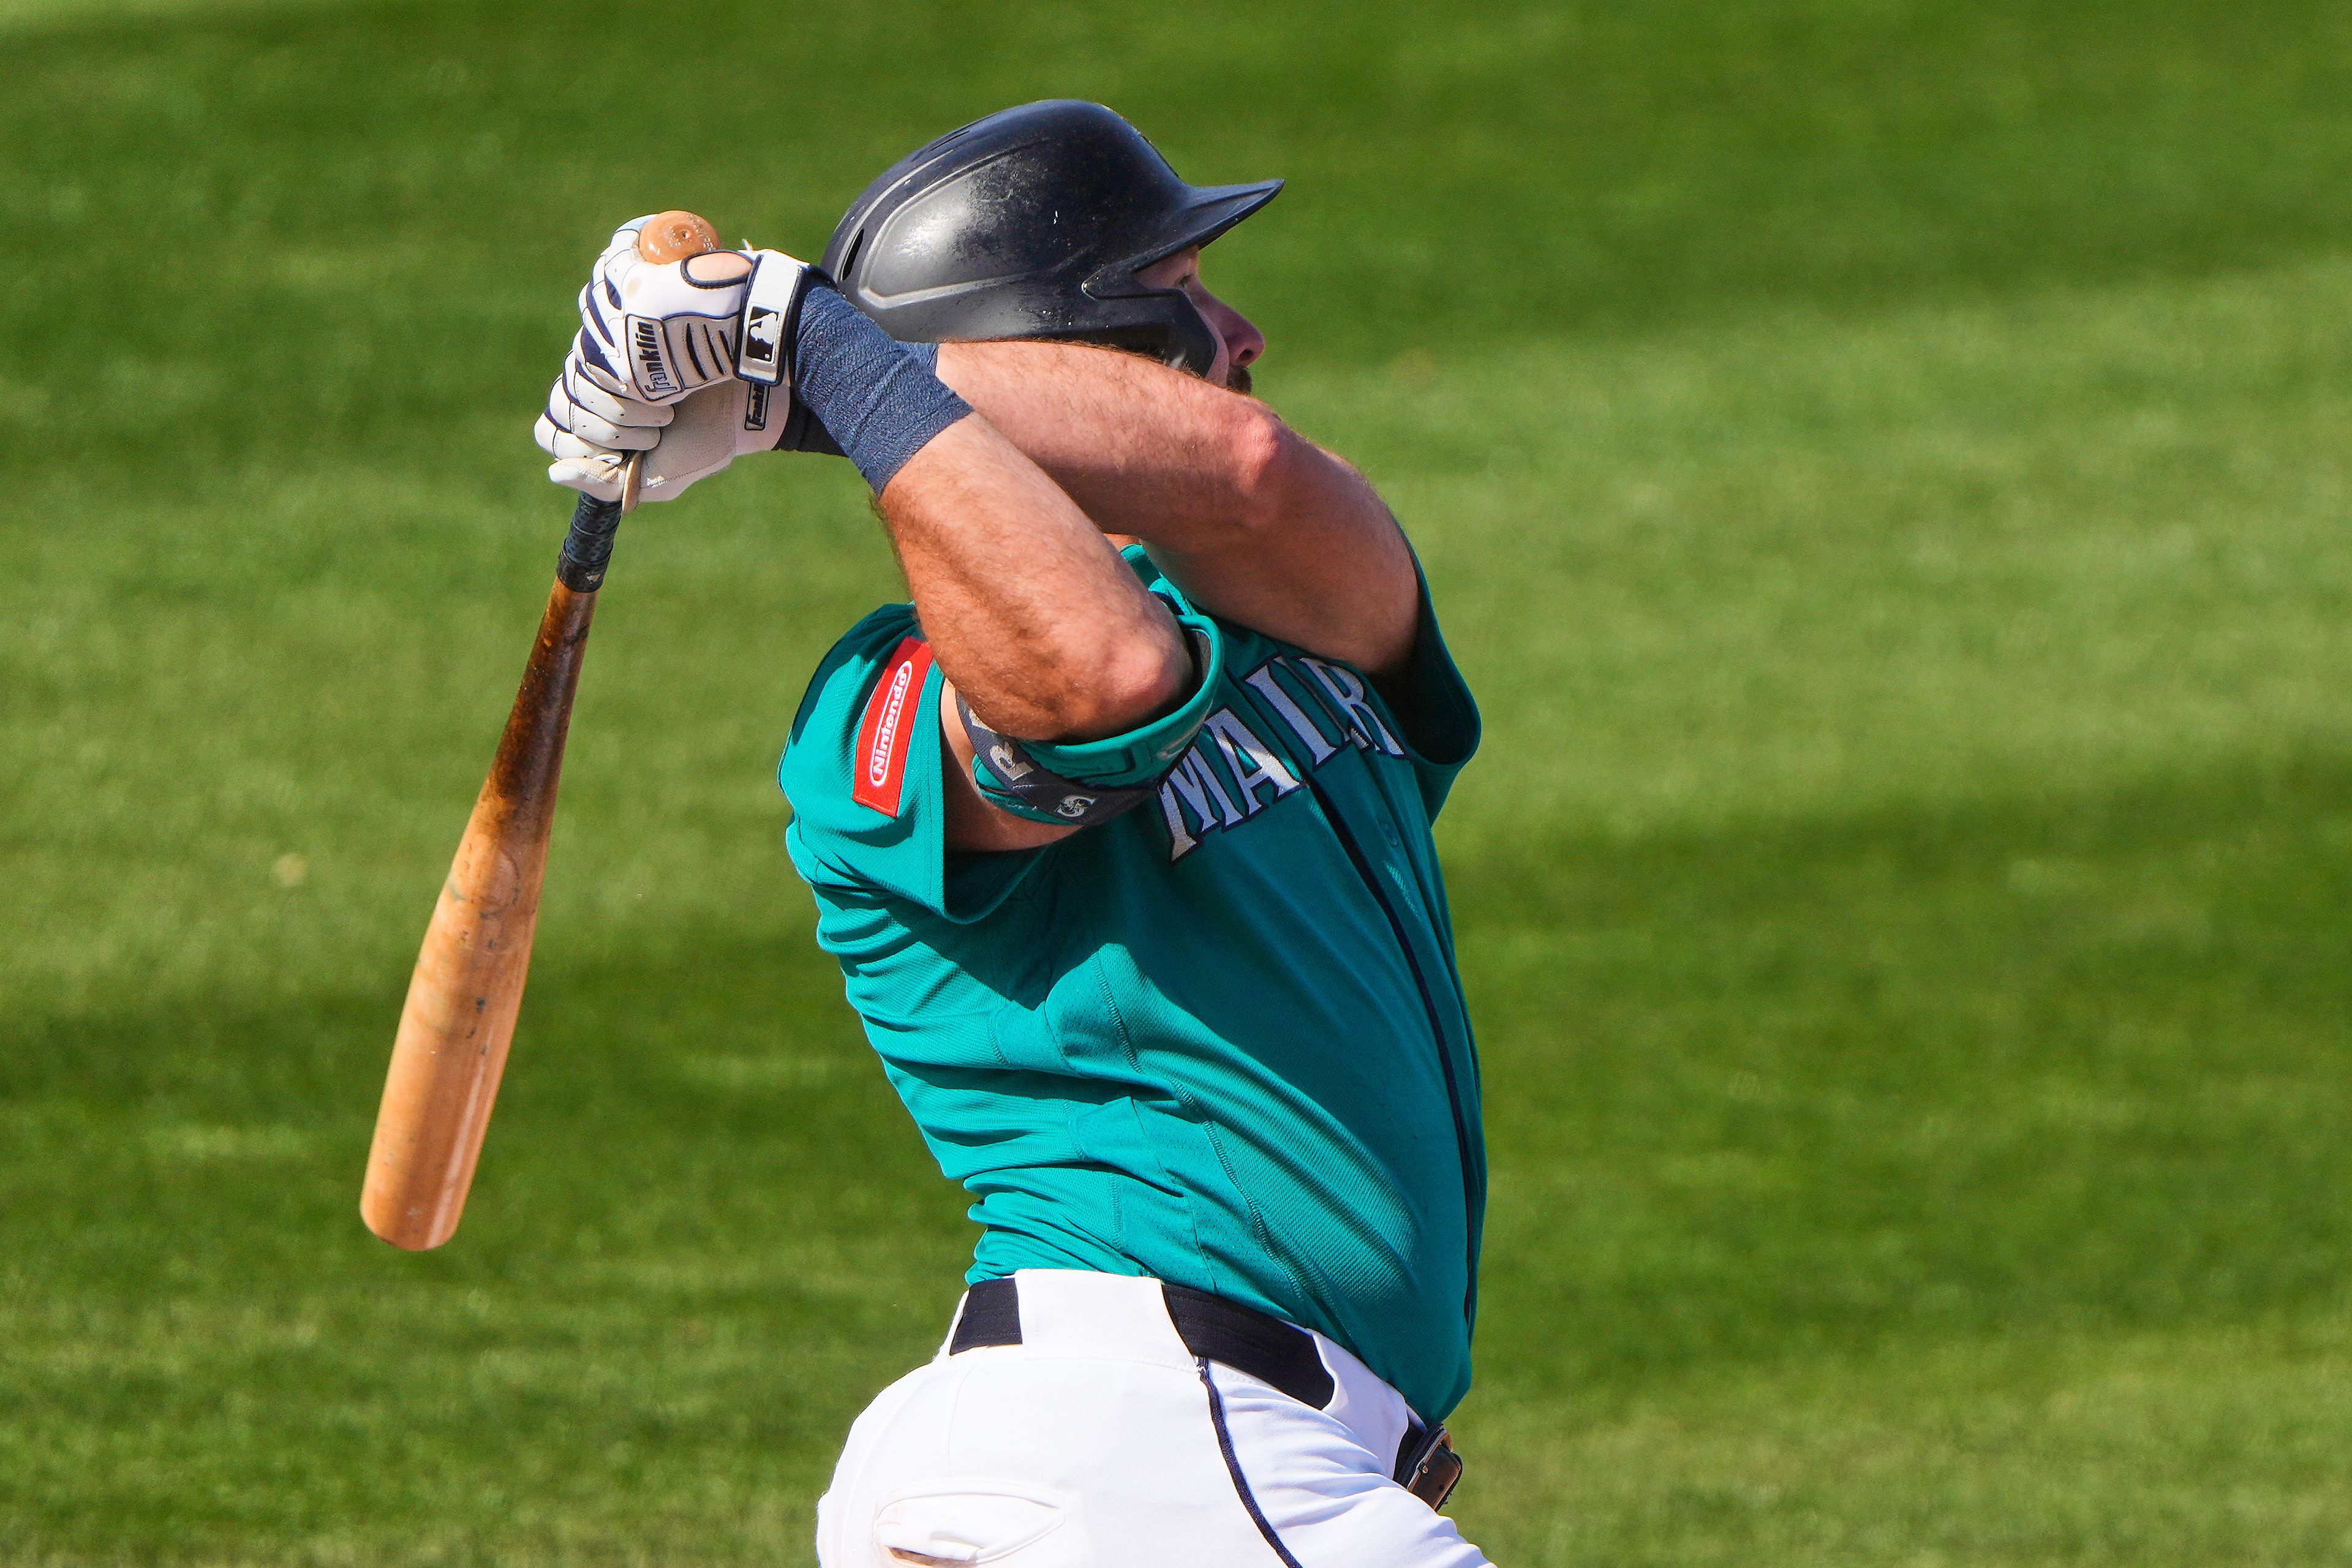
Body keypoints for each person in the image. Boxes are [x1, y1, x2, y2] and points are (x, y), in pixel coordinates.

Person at [537, 100, 1492, 1568]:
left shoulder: (1299, 591)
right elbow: (1098, 676)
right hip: (1141, 1446)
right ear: (1075, 340)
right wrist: (825, 361)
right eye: (1177, 295)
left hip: (1196, 1460)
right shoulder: (883, 710)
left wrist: (802, 362)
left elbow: (1241, 467)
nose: (1240, 326)